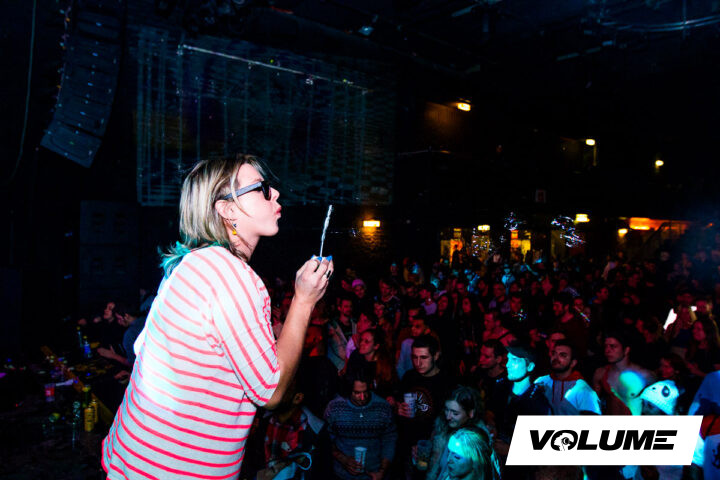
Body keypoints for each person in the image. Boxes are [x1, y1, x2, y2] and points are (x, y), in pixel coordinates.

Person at [101, 154, 333, 479]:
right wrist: (304, 301)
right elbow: (271, 391)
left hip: (129, 457)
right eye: (262, 188)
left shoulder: (189, 263)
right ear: (227, 209)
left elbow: (142, 349)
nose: (276, 193)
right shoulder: (231, 276)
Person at [324, 369, 397, 480]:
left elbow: (390, 440)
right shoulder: (335, 407)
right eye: (357, 393)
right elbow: (325, 440)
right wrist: (344, 459)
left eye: (366, 392)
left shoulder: (382, 407)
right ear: (349, 390)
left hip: (374, 474)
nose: (363, 397)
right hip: (341, 476)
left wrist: (382, 471)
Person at [425, 386, 495, 480]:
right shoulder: (441, 428)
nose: (448, 417)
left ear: (471, 413)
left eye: (455, 413)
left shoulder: (476, 443)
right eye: (446, 409)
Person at [592, 331, 654, 415]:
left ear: (626, 350)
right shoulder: (601, 373)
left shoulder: (644, 376)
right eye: (605, 346)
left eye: (613, 346)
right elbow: (593, 406)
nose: (607, 350)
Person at [534, 339, 601, 415]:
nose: (556, 358)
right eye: (554, 353)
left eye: (563, 355)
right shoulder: (541, 381)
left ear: (573, 363)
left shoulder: (583, 390)